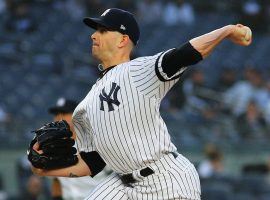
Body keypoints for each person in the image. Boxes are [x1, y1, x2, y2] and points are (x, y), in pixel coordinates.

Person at [30, 8, 252, 200]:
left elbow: (185, 54)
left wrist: (227, 30)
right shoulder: (85, 105)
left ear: (122, 40)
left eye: (103, 30)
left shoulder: (138, 71)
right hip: (123, 184)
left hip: (166, 179)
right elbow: (93, 162)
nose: (94, 36)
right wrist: (45, 170)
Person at [48, 97, 111, 200]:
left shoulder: (95, 142)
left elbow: (115, 174)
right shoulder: (54, 146)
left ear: (77, 115)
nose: (59, 118)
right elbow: (56, 181)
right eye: (56, 114)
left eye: (64, 113)